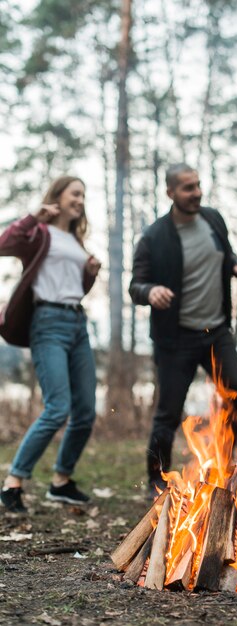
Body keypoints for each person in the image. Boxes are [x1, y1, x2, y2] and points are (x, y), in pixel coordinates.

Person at [129, 163, 237, 497]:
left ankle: (222, 460)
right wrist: (150, 292)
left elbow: (225, 258)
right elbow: (135, 285)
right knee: (169, 413)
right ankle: (157, 480)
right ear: (170, 193)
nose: (196, 192)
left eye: (198, 185)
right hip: (177, 339)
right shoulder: (154, 237)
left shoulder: (213, 219)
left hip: (216, 331)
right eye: (187, 188)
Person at [0, 176, 101, 513]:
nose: (80, 199)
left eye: (83, 195)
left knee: (85, 411)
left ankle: (61, 482)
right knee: (58, 407)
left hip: (77, 323)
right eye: (75, 193)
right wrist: (34, 217)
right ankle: (13, 483)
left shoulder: (76, 240)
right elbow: (5, 243)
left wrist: (90, 272)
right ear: (58, 196)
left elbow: (75, 287)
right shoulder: (40, 232)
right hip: (48, 324)